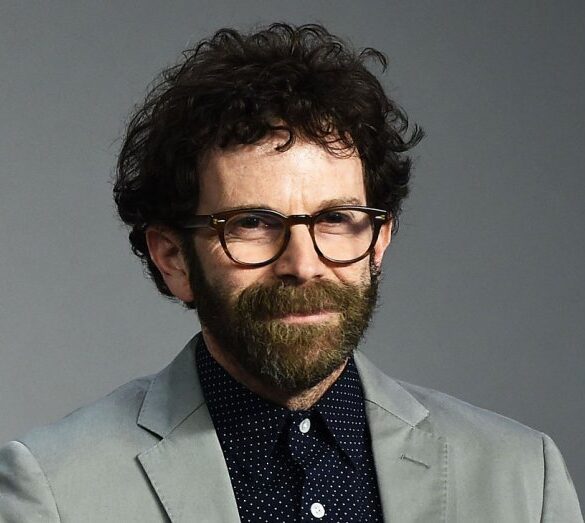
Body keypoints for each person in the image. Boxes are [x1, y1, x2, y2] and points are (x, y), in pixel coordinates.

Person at [0, 23, 581, 523]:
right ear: (173, 258)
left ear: (379, 240)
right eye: (253, 223)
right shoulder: (55, 491)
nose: (303, 264)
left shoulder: (524, 477)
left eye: (336, 219)